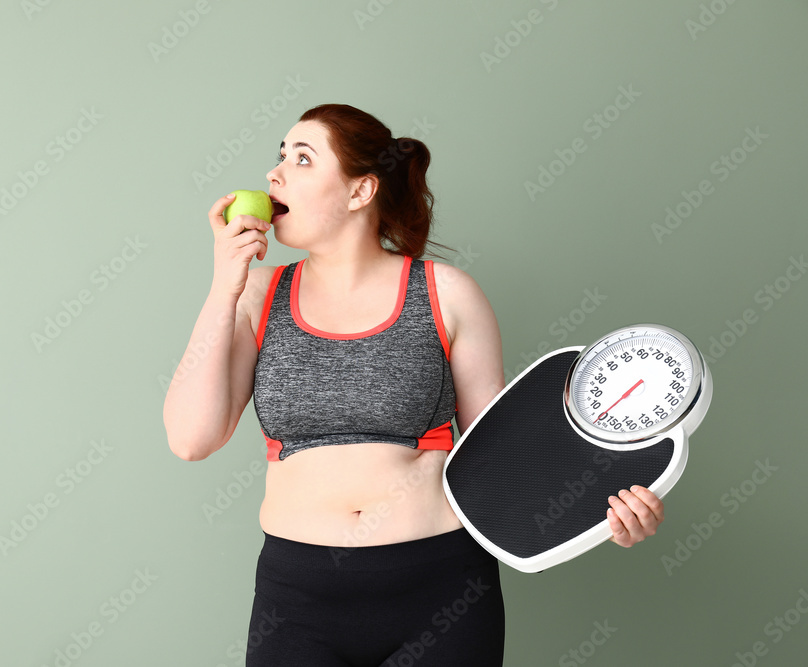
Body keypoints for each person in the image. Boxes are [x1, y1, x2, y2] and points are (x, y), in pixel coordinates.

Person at [163, 103, 665, 666]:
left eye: (302, 159)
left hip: (441, 588)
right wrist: (221, 289)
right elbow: (191, 438)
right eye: (279, 157)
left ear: (360, 192)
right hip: (297, 597)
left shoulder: (446, 293)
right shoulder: (255, 296)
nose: (274, 174)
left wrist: (602, 516)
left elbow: (501, 461)